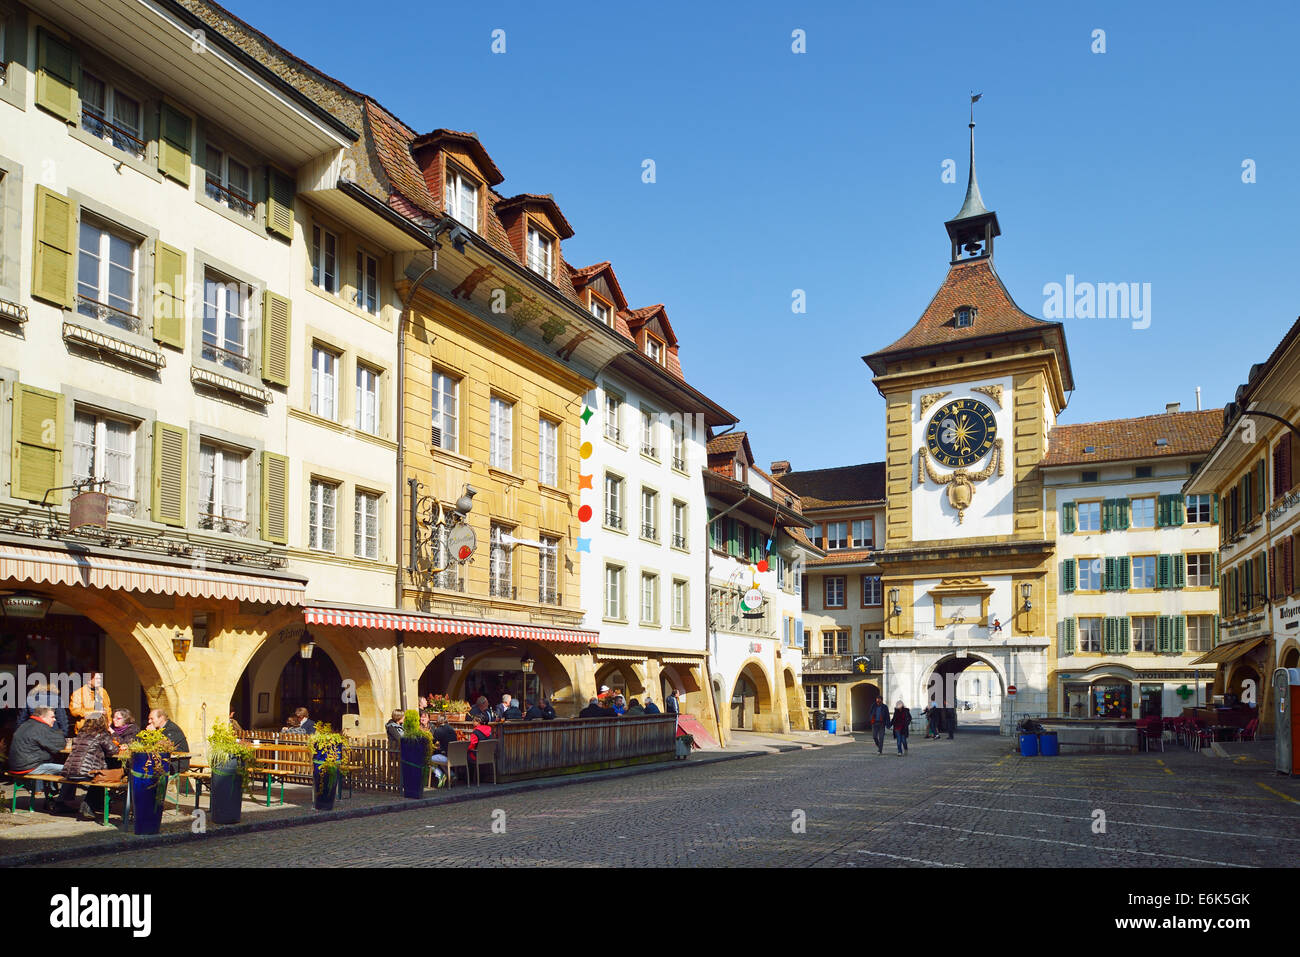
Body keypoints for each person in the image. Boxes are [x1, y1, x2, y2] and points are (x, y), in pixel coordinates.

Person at [57, 714, 120, 820]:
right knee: (102, 776)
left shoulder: (81, 733)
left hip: (69, 771)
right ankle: (88, 805)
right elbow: (113, 750)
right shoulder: (101, 734)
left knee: (100, 774)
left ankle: (94, 805)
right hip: (84, 773)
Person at [7, 707, 67, 810]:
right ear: (42, 717)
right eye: (52, 717)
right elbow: (60, 744)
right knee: (71, 769)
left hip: (16, 766)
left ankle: (52, 800)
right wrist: (60, 733)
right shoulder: (40, 728)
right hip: (28, 767)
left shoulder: (26, 724)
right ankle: (61, 803)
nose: (55, 719)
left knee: (52, 763)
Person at [146, 708, 189, 773]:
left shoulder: (172, 729)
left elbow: (165, 747)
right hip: (166, 761)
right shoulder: (161, 729)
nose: (149, 721)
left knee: (148, 768)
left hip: (177, 763)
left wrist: (154, 734)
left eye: (152, 718)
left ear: (161, 718)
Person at [431, 715, 456, 788]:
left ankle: (440, 775)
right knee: (440, 758)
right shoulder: (451, 729)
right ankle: (451, 775)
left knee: (428, 760)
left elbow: (433, 741)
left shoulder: (439, 730)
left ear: (438, 721)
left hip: (447, 757)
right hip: (456, 758)